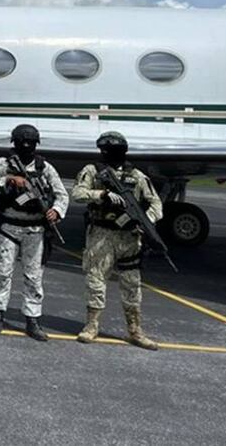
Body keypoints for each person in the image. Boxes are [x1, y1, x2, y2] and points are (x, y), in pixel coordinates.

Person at [71, 131, 163, 350]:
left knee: (131, 284)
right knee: (95, 280)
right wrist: (100, 195)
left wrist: (144, 221)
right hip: (101, 235)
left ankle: (135, 330)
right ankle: (92, 325)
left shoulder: (138, 176)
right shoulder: (92, 172)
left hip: (129, 237)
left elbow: (156, 205)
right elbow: (77, 193)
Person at [0, 123, 68, 341]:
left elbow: (62, 194)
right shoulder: (3, 164)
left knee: (34, 277)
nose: (26, 147)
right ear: (14, 143)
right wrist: (8, 180)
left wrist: (56, 211)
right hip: (8, 227)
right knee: (2, 273)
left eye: (30, 144)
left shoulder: (45, 168)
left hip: (35, 230)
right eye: (22, 143)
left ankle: (32, 318)